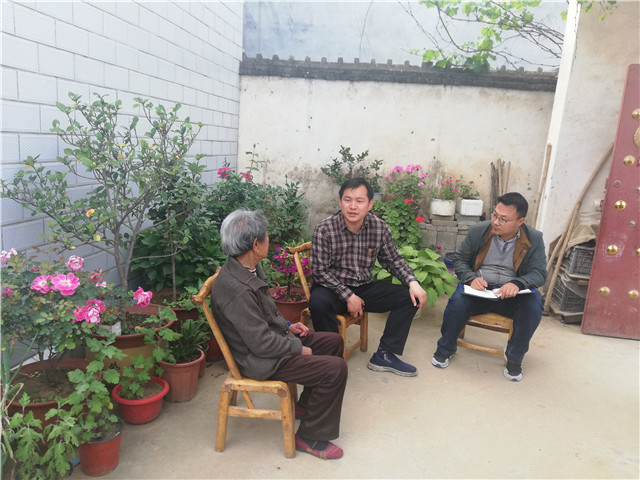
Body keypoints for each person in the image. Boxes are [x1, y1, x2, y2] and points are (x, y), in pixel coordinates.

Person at [210, 209, 348, 460]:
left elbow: (259, 318)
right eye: (266, 237)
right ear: (255, 244)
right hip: (260, 359)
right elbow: (260, 343)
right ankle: (310, 438)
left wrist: (288, 325)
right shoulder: (237, 290)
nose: (269, 241)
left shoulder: (246, 268)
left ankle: (305, 407)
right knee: (335, 369)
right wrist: (296, 347)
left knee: (333, 341)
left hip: (271, 342)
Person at [309, 178, 427, 377]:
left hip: (364, 288)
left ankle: (385, 354)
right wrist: (348, 296)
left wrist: (413, 282)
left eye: (359, 201)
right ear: (340, 202)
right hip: (332, 288)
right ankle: (331, 360)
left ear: (370, 203)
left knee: (409, 297)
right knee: (318, 302)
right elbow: (320, 271)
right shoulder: (325, 228)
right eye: (347, 200)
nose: (352, 206)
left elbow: (393, 260)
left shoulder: (379, 228)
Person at [431, 192, 546, 381]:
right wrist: (471, 278)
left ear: (520, 221)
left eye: (503, 219)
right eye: (494, 215)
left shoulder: (533, 238)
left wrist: (517, 283)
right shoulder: (479, 231)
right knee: (458, 301)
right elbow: (460, 260)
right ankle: (446, 348)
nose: (496, 222)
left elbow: (539, 273)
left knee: (534, 304)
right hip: (480, 291)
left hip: (510, 296)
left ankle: (514, 357)